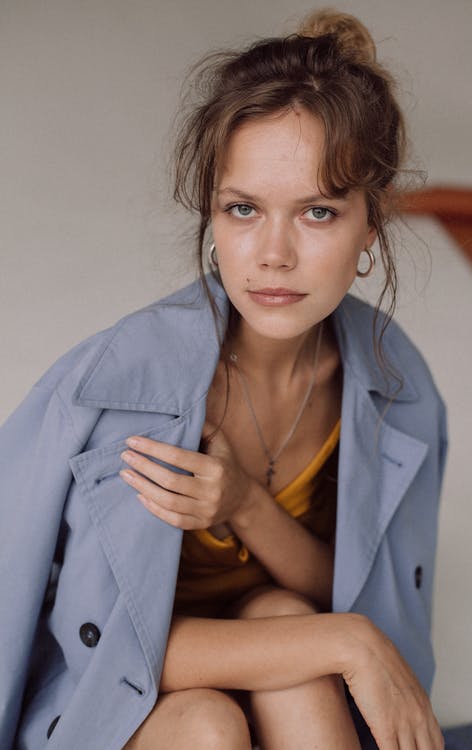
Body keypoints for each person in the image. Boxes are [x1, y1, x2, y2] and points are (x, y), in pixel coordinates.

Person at [0, 9, 448, 750]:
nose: (272, 254)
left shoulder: (395, 384)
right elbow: (106, 647)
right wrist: (353, 645)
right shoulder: (121, 386)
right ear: (211, 211)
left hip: (284, 671)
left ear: (371, 224)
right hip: (127, 703)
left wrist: (244, 501)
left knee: (288, 626)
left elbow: (346, 597)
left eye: (317, 212)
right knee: (216, 721)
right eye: (243, 209)